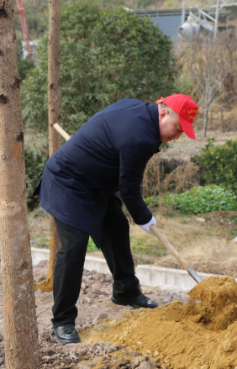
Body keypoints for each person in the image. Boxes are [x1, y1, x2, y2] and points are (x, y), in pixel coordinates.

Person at [36, 94, 199, 344]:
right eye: (177, 129)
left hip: (95, 183)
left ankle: (126, 291)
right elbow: (129, 187)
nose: (176, 136)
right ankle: (63, 320)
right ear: (164, 113)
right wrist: (144, 217)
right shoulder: (141, 137)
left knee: (117, 228)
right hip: (67, 183)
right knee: (74, 247)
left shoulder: (138, 108)